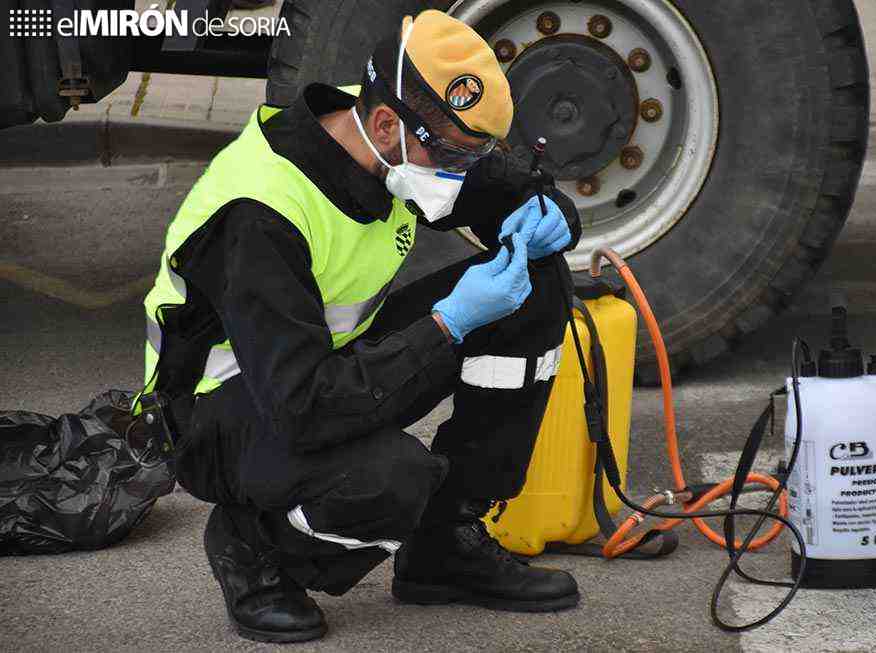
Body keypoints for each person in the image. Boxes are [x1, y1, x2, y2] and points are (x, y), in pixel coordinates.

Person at [139, 10, 582, 643]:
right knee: (392, 481)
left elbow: (502, 187)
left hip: (325, 364)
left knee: (535, 288)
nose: (465, 172)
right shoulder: (259, 214)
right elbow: (306, 406)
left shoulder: (390, 134)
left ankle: (445, 543)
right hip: (226, 409)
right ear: (384, 125)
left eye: (476, 153)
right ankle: (255, 549)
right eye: (457, 156)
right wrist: (448, 324)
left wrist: (554, 216)